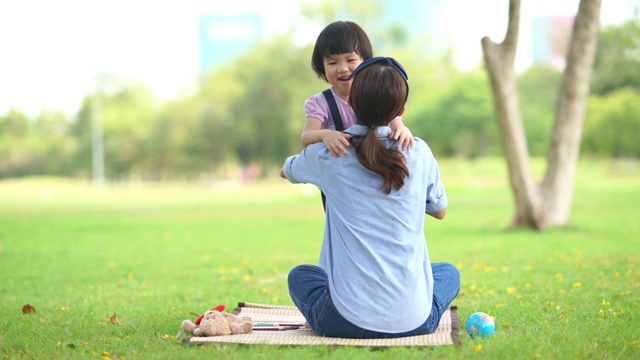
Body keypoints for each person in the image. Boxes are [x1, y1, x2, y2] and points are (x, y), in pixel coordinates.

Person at [280, 57, 460, 338]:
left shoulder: (328, 155)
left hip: (342, 322)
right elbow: (440, 211)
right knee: (448, 273)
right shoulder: (419, 152)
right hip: (416, 322)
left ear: (351, 104)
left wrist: (324, 137)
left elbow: (285, 171)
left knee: (300, 275)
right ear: (401, 110)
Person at [301, 20, 415, 157]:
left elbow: (395, 122)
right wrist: (325, 135)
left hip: (374, 165)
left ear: (366, 62)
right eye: (332, 63)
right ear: (322, 66)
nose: (343, 69)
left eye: (350, 60)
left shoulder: (376, 92)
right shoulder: (320, 103)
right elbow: (306, 137)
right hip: (339, 168)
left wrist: (402, 129)